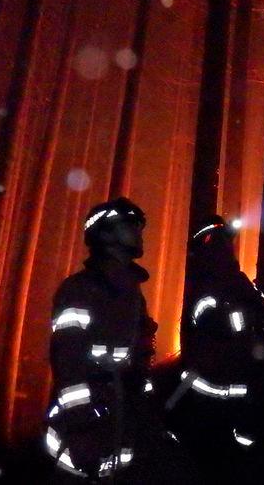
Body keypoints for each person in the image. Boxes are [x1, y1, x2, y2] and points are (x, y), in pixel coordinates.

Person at [45, 197, 191, 483]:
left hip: (126, 413)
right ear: (104, 233)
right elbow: (67, 358)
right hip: (89, 421)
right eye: (130, 225)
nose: (139, 231)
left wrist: (148, 406)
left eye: (139, 225)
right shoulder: (80, 289)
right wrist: (83, 422)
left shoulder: (131, 292)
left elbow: (138, 356)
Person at [167, 215, 264, 481]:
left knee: (243, 455)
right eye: (222, 242)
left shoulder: (236, 280)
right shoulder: (206, 287)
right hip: (210, 393)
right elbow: (210, 332)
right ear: (210, 244)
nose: (228, 247)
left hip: (240, 388)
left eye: (228, 242)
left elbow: (254, 316)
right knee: (211, 458)